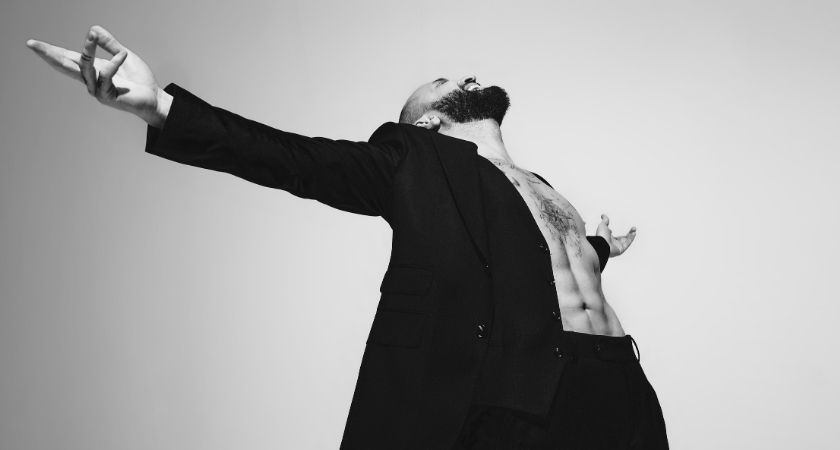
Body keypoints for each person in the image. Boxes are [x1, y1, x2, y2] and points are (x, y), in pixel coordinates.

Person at [26, 25, 668, 450]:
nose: (461, 77)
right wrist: (158, 107)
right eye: (442, 83)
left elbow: (546, 270)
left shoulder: (541, 187)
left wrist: (599, 249)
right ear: (430, 122)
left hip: (619, 384)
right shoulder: (412, 161)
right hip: (524, 399)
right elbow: (291, 158)